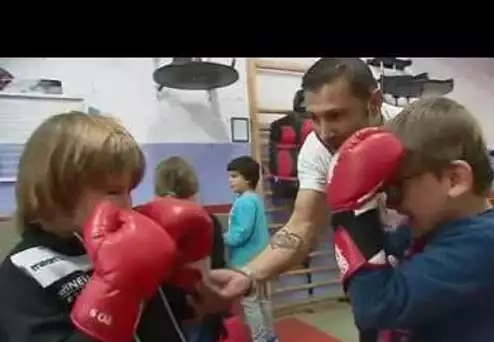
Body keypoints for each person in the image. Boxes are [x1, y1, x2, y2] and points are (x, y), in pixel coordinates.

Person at [206, 58, 386, 341]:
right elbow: (303, 225)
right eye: (314, 117)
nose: (324, 132)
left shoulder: (417, 130)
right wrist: (247, 275)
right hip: (376, 290)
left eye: (336, 115)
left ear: (374, 103)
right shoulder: (318, 149)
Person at [327, 97, 494, 342]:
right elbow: (373, 272)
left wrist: (351, 214)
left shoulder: (491, 242)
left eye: (397, 187)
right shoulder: (427, 228)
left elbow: (376, 308)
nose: (391, 202)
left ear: (454, 180)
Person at [0, 111, 212, 342]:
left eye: (129, 191)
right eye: (114, 192)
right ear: (59, 187)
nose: (127, 203)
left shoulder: (110, 242)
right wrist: (113, 295)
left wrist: (195, 292)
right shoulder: (22, 275)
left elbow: (160, 316)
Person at [154, 156, 230, 342]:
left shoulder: (148, 221)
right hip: (197, 303)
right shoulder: (206, 219)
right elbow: (217, 265)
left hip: (170, 306)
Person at [224, 156, 278, 342]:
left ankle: (261, 339)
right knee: (261, 300)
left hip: (247, 261)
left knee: (251, 303)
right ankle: (270, 337)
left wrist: (220, 238)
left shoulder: (244, 202)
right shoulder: (254, 199)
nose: (229, 180)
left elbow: (241, 233)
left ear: (247, 178)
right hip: (260, 259)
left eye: (234, 176)